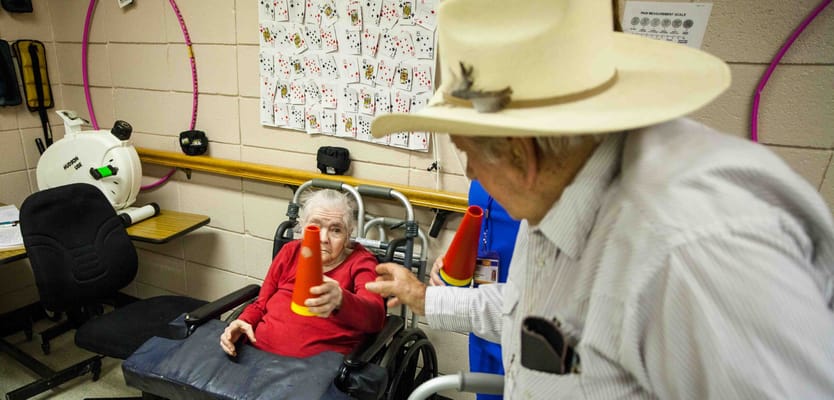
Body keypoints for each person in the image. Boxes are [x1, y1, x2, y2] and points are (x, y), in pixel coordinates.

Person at [365, 0, 834, 398]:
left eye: (466, 152)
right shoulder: (562, 181)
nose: (470, 171)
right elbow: (535, 309)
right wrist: (427, 299)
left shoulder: (692, 250)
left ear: (518, 151)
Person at [221, 189, 386, 359]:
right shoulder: (290, 251)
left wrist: (341, 299)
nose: (323, 238)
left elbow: (375, 319)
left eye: (336, 230)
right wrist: (243, 321)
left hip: (311, 371)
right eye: (315, 227)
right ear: (302, 227)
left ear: (348, 235)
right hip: (257, 355)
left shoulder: (361, 262)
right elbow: (261, 304)